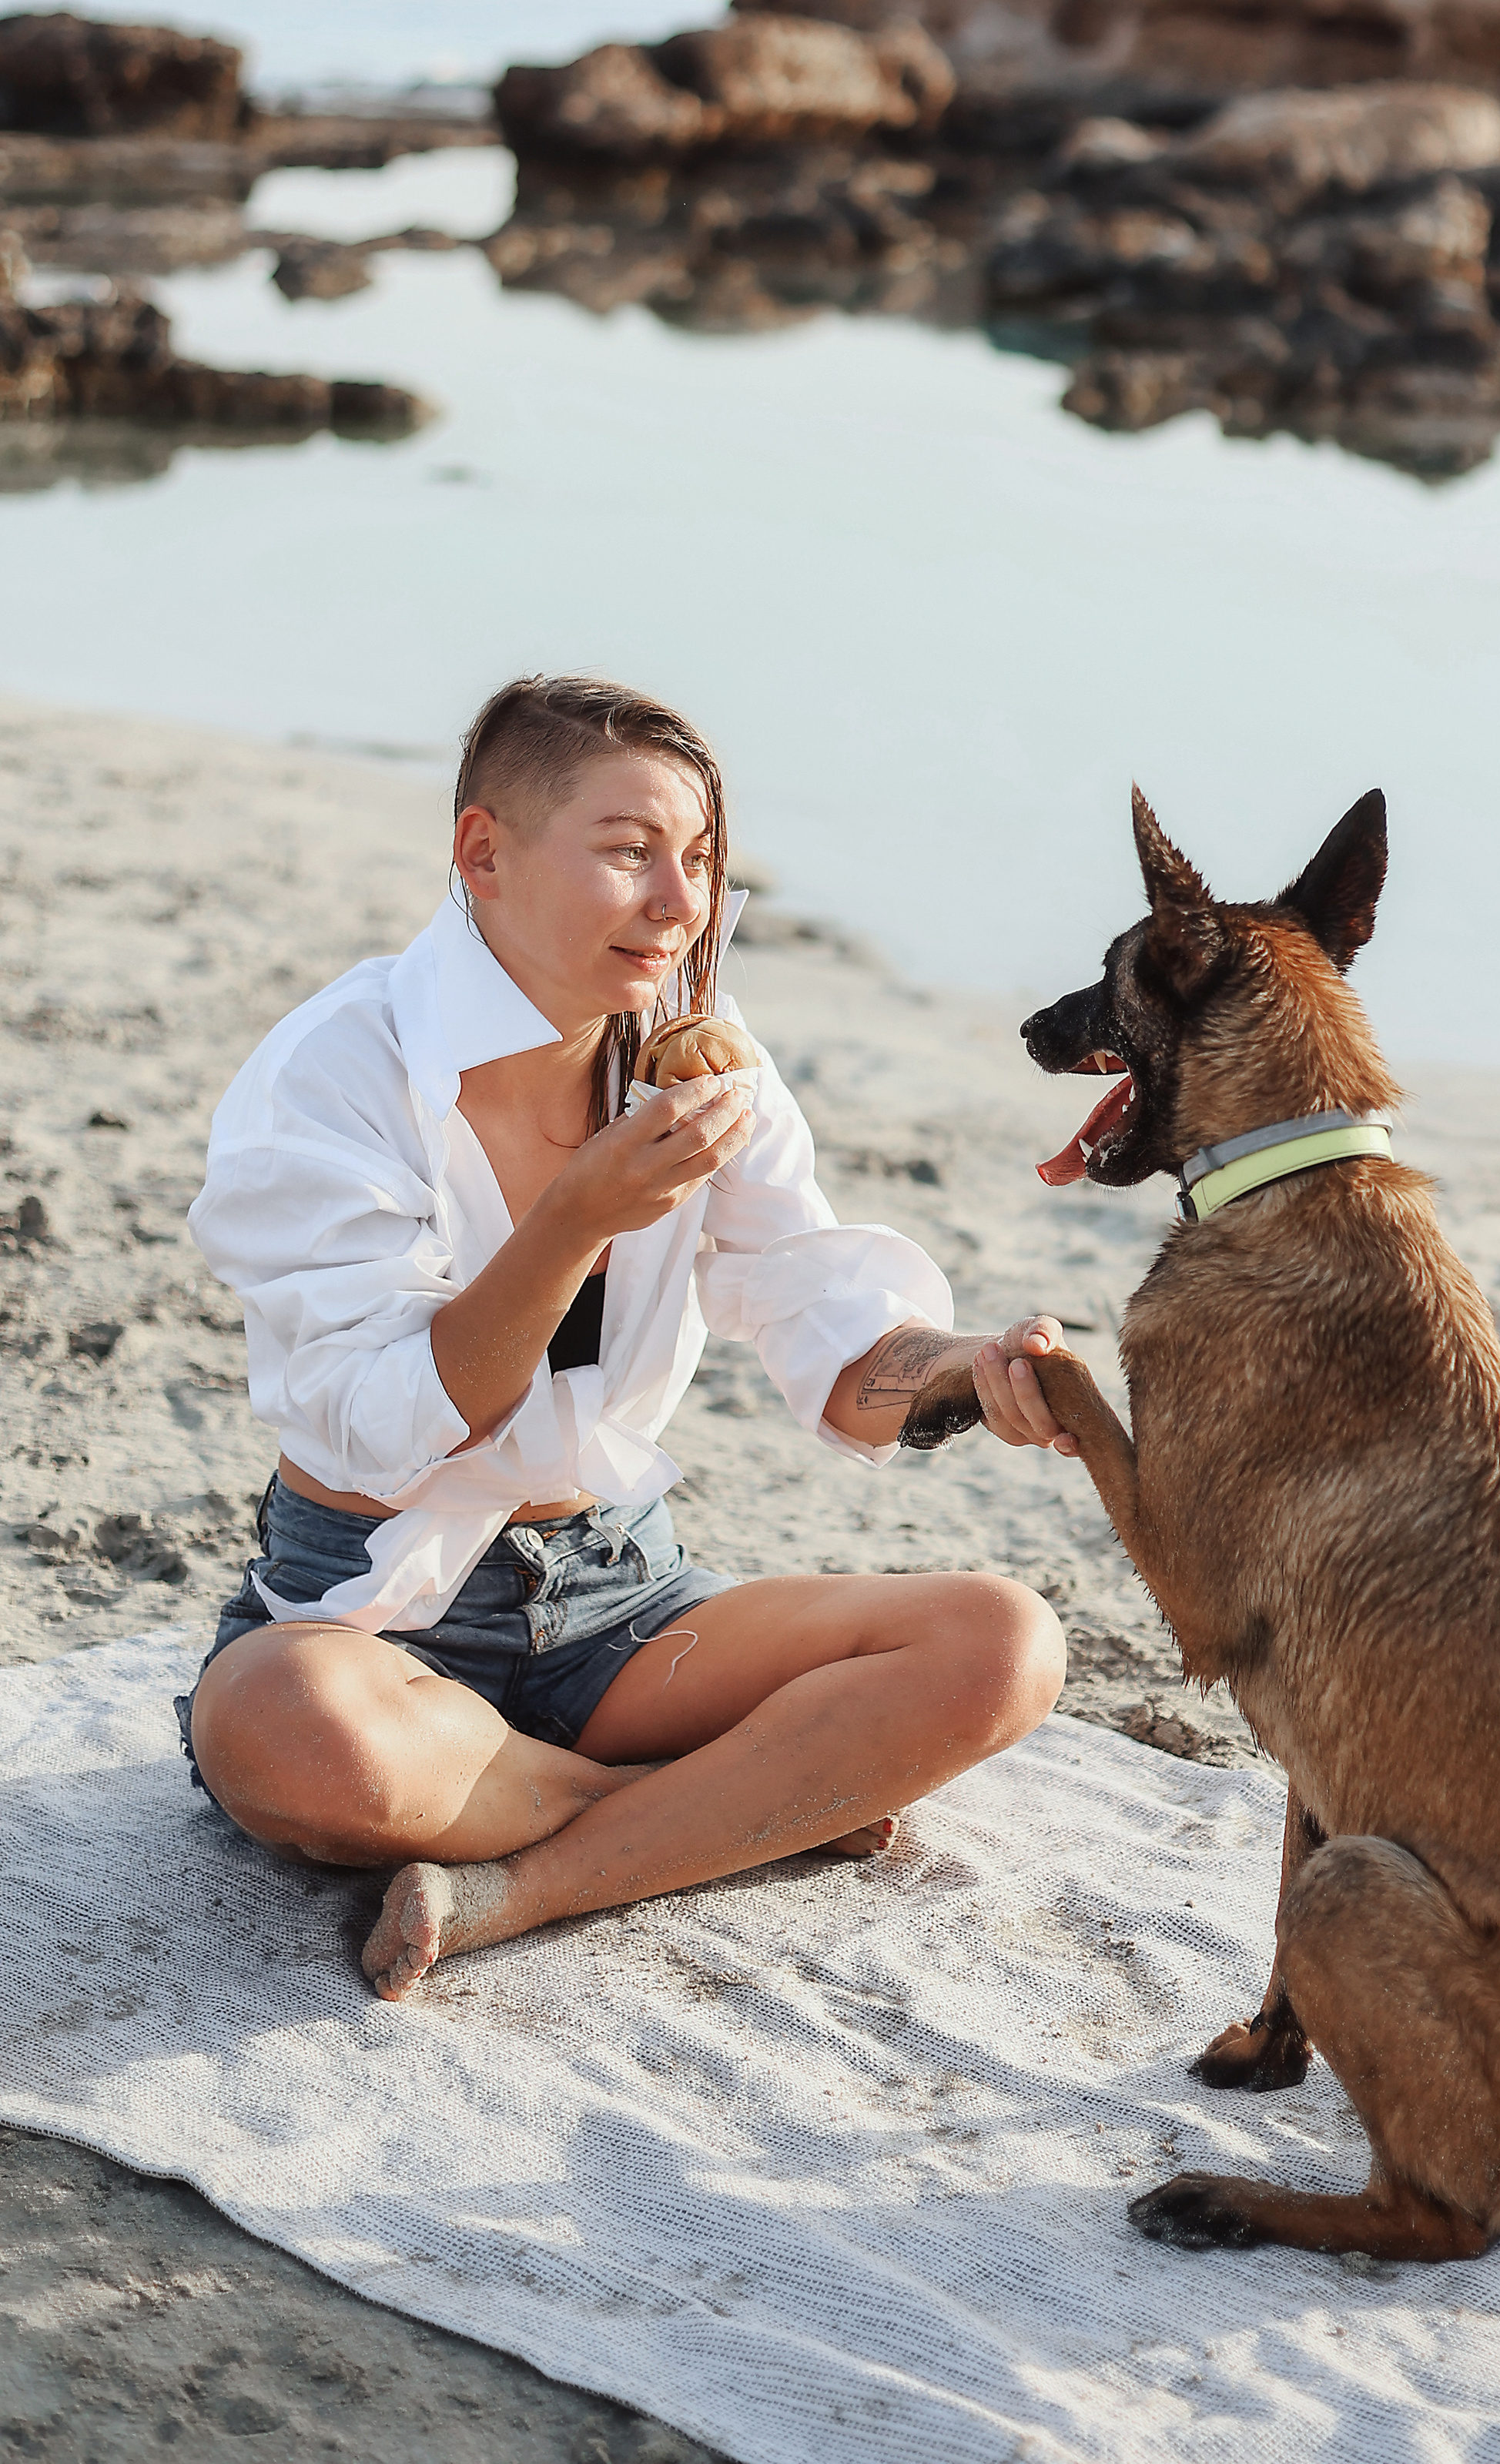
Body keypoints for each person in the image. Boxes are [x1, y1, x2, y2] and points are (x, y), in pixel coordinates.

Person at [180, 675, 1076, 2000]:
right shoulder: (334, 1076)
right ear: (484, 852)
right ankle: (711, 1805)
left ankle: (524, 1882)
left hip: (619, 1596)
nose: (680, 905)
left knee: (1004, 1641)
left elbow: (821, 1324)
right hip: (379, 1605)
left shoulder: (706, 1065)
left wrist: (963, 1373)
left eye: (702, 861)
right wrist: (576, 1216)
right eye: (629, 853)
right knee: (286, 1736)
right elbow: (383, 1418)